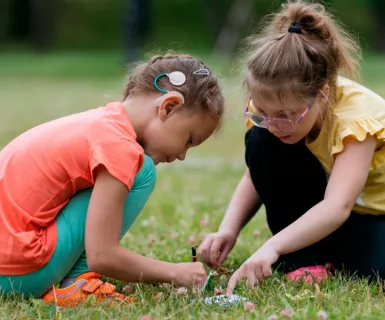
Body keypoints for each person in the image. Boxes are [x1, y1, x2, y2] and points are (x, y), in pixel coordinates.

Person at [198, 0, 385, 294]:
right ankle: (306, 257)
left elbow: (336, 207)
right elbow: (261, 173)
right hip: (316, 209)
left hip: (372, 216)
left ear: (322, 95)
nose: (274, 122)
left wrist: (273, 246)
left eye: (287, 115)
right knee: (262, 140)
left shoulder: (357, 121)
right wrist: (229, 229)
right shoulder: (271, 110)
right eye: (262, 112)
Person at [0, 54, 224, 307]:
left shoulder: (100, 123)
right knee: (144, 170)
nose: (182, 155)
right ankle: (75, 283)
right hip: (20, 273)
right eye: (188, 140)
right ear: (168, 107)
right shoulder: (119, 146)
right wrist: (175, 273)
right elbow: (102, 256)